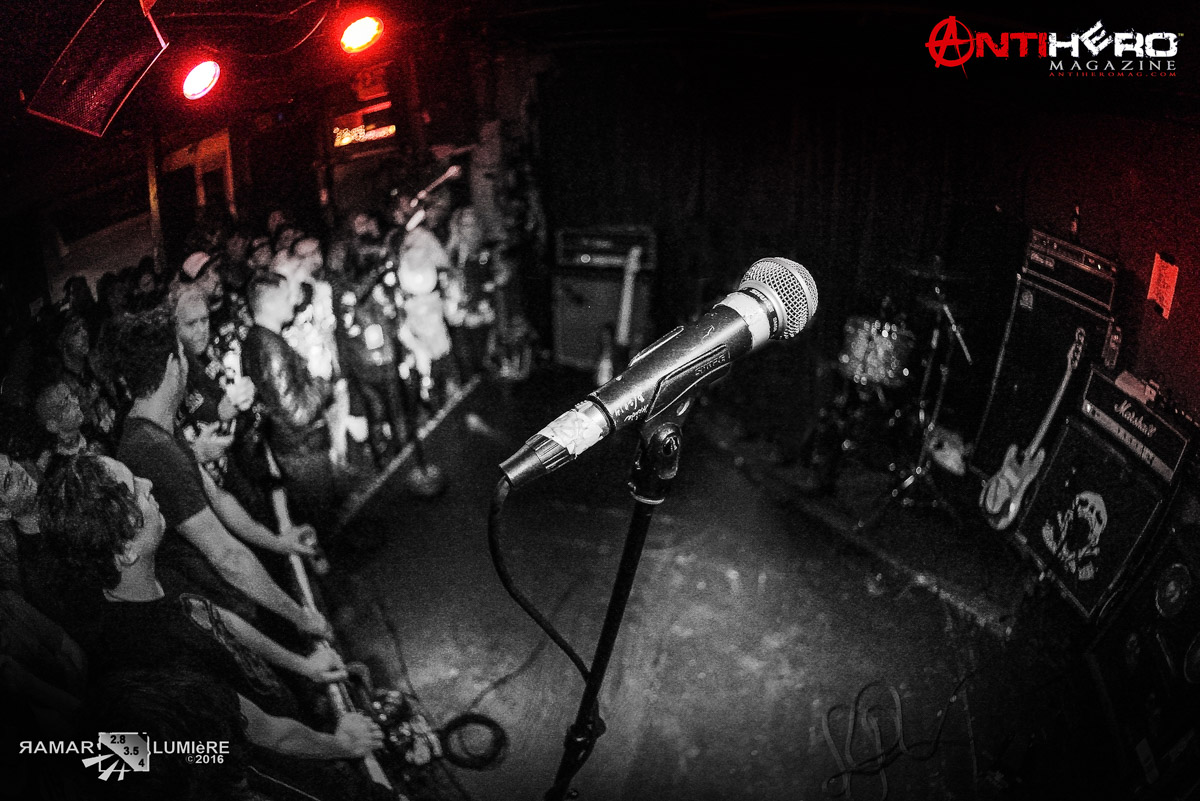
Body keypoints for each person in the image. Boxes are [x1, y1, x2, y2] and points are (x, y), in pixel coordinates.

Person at [108, 307, 327, 636]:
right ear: (173, 365)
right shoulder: (152, 449)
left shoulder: (157, 427)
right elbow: (226, 556)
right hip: (219, 607)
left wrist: (279, 543)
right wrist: (302, 618)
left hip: (228, 597)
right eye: (182, 353)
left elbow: (216, 496)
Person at [242, 272, 339, 536]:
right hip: (302, 449)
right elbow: (297, 413)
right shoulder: (268, 348)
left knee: (318, 512)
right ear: (270, 304)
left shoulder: (262, 339)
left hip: (297, 447)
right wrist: (321, 380)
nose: (293, 302)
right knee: (321, 516)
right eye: (286, 297)